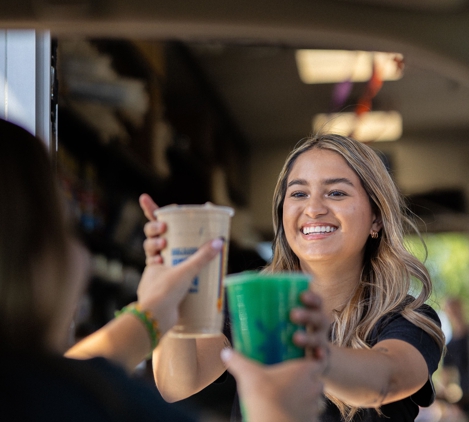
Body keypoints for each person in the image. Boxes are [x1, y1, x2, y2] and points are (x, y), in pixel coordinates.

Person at [0, 118, 323, 422]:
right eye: (68, 229)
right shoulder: (76, 400)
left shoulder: (45, 388)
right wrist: (275, 413)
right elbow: (86, 384)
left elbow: (72, 373)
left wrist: (154, 311)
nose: (314, 208)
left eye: (337, 192)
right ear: (30, 255)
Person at [141, 133, 446, 422]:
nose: (313, 209)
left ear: (376, 217)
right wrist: (170, 293)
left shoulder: (409, 320)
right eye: (299, 193)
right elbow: (175, 385)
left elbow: (385, 380)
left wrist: (310, 353)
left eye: (337, 192)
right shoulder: (250, 302)